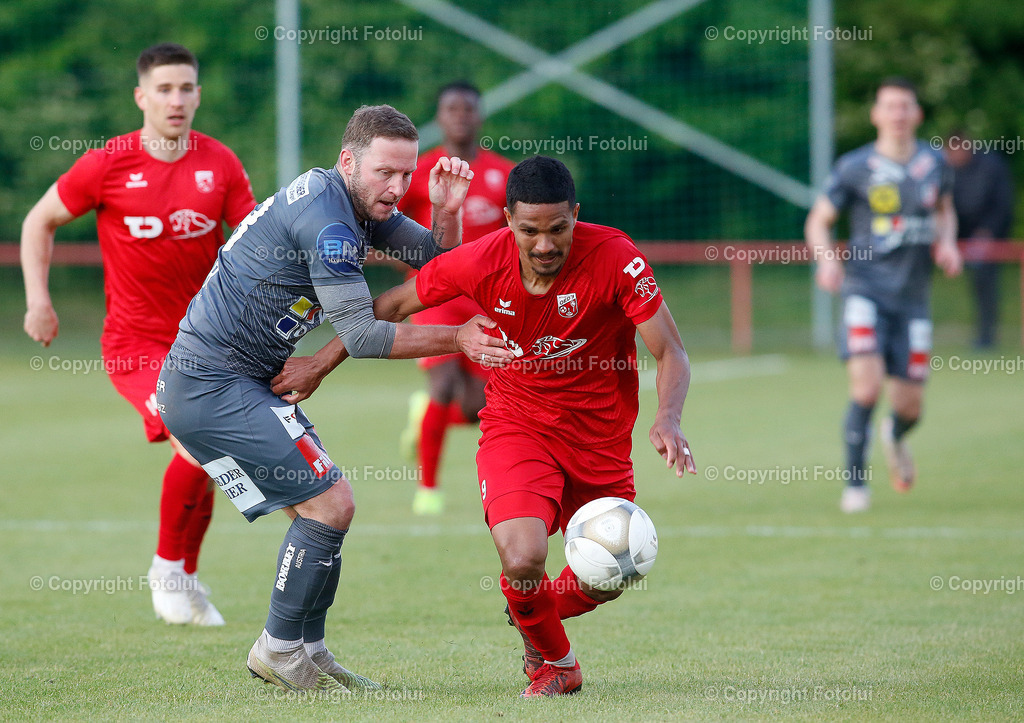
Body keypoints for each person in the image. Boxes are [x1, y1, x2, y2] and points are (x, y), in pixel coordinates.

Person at [274, 155, 698, 697]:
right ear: (507, 221)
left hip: (602, 440)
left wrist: (668, 417)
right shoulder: (479, 261)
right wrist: (318, 362)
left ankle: (529, 613)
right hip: (518, 426)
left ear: (576, 215)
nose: (544, 245)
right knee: (523, 557)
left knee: (609, 577)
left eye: (558, 229)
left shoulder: (616, 257)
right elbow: (391, 306)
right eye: (529, 231)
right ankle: (555, 664)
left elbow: (672, 353)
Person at [155, 104, 515, 693]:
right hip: (212, 384)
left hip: (235, 381)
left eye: (407, 175)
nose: (397, 189)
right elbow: (364, 335)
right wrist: (459, 338)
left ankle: (309, 652)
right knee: (331, 505)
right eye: (385, 174)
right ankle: (278, 648)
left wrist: (446, 212)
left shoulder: (352, 202)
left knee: (323, 510)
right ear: (349, 160)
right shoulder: (330, 223)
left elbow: (433, 264)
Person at [20, 43, 256, 625]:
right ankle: (168, 572)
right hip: (136, 345)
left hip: (209, 343)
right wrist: (38, 300)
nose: (176, 100)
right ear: (141, 97)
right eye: (164, 89)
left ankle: (185, 576)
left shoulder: (219, 163)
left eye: (186, 88)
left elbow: (255, 240)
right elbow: (38, 221)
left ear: (198, 94)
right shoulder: (108, 163)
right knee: (195, 441)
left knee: (214, 454)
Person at [805, 77, 961, 513]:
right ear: (876, 114)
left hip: (913, 301)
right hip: (864, 291)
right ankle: (856, 486)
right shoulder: (855, 167)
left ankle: (894, 432)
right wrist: (826, 260)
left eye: (905, 106)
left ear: (917, 114)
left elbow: (946, 211)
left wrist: (947, 242)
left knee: (911, 405)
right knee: (867, 387)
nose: (897, 114)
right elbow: (819, 220)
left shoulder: (934, 164)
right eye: (889, 106)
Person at [396, 81, 516, 515]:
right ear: (440, 117)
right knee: (443, 385)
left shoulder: (505, 175)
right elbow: (387, 225)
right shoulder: (419, 171)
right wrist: (415, 270)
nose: (461, 115)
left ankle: (424, 415)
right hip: (436, 297)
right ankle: (428, 490)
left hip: (489, 302)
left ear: (480, 116)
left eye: (469, 108)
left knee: (478, 406)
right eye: (451, 108)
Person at [944, 130, 1015, 349]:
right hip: (952, 234)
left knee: (984, 283)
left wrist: (987, 231)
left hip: (987, 237)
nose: (954, 156)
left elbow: (1002, 203)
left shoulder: (991, 166)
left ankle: (986, 337)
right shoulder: (942, 168)